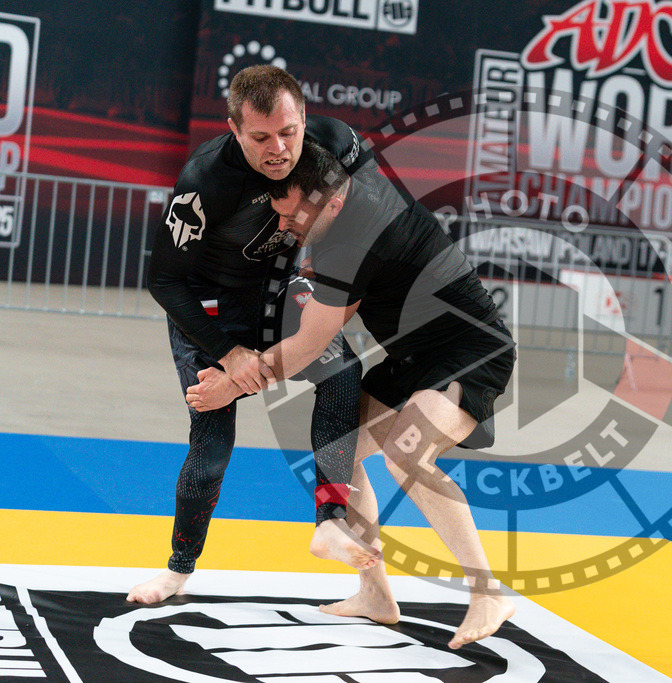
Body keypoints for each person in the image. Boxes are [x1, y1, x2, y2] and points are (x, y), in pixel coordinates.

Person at [186, 140, 517, 649]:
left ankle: (487, 591)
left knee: (408, 452)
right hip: (411, 356)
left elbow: (306, 347)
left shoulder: (355, 242)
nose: (283, 227)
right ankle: (376, 595)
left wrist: (231, 383)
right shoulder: (340, 201)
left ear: (332, 203)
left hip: (470, 349)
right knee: (340, 449)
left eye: (292, 215)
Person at [128, 66, 375, 605]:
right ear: (235, 130)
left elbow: (369, 209)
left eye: (289, 132)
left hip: (280, 290)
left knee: (343, 371)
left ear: (305, 119)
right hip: (210, 309)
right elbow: (163, 280)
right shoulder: (204, 180)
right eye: (260, 137)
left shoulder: (338, 144)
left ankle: (330, 518)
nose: (279, 149)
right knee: (214, 442)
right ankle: (177, 570)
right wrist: (229, 353)